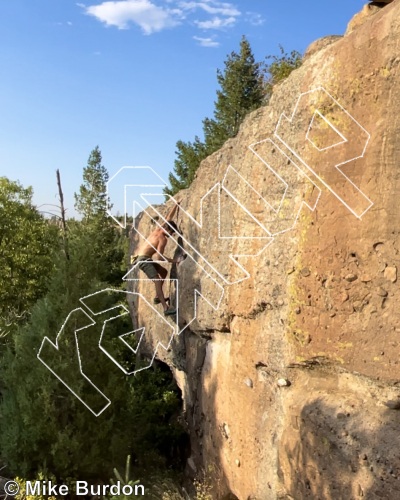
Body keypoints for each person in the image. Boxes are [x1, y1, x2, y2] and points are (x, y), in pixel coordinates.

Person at [131, 202, 181, 316]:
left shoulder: (158, 229)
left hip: (143, 258)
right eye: (172, 232)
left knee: (163, 272)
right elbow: (159, 257)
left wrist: (176, 205)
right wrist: (175, 261)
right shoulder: (163, 239)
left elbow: (168, 218)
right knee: (157, 280)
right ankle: (166, 308)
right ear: (168, 230)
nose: (171, 235)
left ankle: (158, 297)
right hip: (143, 260)